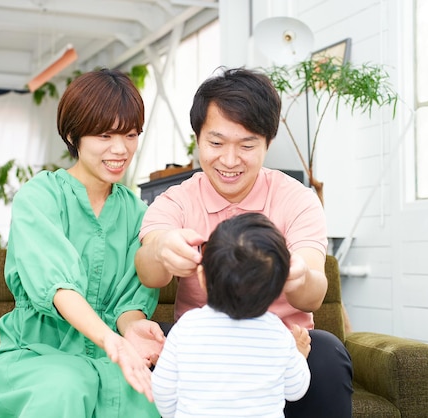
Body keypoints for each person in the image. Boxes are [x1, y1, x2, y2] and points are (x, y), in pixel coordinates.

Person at [135, 67, 353, 417]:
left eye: (247, 145)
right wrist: (162, 251)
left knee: (327, 351)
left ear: (267, 142)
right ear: (198, 139)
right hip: (203, 341)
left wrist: (299, 277)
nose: (230, 160)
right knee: (147, 341)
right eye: (216, 143)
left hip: (282, 340)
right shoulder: (176, 201)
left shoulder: (297, 200)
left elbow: (313, 292)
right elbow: (149, 272)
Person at [0, 69, 164, 418]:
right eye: (104, 134)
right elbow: (57, 287)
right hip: (35, 355)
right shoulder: (40, 196)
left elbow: (129, 301)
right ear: (72, 135)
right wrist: (109, 339)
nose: (120, 149)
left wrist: (132, 328)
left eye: (130, 134)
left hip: (107, 359)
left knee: (144, 398)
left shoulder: (138, 212)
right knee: (66, 386)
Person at [151, 212, 311, 418]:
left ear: (201, 277)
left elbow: (162, 390)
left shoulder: (186, 327)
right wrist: (299, 356)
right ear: (279, 287)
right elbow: (296, 390)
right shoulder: (277, 332)